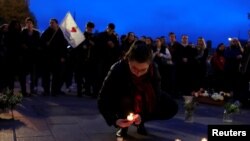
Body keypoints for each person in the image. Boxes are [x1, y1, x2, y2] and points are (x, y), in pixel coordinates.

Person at [97, 40, 178, 138]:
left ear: (149, 64)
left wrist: (143, 116)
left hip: (142, 100)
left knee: (171, 105)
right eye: (134, 68)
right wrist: (115, 120)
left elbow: (156, 96)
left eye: (143, 70)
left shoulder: (153, 70)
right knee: (126, 99)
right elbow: (102, 99)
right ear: (128, 60)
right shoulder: (117, 69)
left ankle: (140, 122)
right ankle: (123, 126)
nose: (138, 73)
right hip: (122, 99)